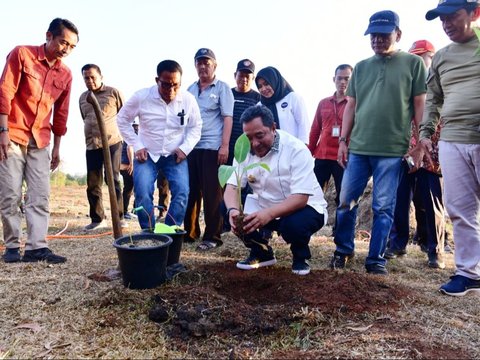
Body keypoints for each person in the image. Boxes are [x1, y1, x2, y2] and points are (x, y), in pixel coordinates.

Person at [329, 10, 427, 275]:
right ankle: (343, 250)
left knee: (383, 207)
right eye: (373, 35)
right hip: (359, 147)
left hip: (392, 150)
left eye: (383, 35)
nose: (378, 40)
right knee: (346, 202)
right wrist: (342, 141)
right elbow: (351, 105)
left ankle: (375, 259)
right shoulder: (361, 67)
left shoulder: (413, 64)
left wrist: (420, 141)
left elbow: (420, 104)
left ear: (398, 34)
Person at [413, 0, 480, 296]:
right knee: (459, 208)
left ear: (474, 13)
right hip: (453, 139)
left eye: (453, 16)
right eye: (442, 19)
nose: (447, 24)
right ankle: (469, 272)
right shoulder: (441, 57)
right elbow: (434, 100)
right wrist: (425, 134)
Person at [0, 18, 79, 264]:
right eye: (63, 42)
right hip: (12, 133)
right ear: (49, 36)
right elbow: (5, 91)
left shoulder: (65, 74)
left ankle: (36, 247)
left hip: (41, 140)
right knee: (10, 193)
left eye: (71, 46)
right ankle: (12, 246)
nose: (66, 49)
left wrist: (57, 147)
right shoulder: (22, 54)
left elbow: (61, 114)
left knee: (39, 196)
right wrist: (1, 132)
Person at [223, 105, 327, 275]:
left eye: (259, 135)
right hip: (265, 206)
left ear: (273, 127)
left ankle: (300, 256)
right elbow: (232, 187)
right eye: (248, 137)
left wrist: (269, 214)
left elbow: (301, 198)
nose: (254, 143)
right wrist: (233, 210)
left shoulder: (296, 150)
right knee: (226, 210)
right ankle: (261, 252)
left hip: (305, 207)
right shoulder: (244, 150)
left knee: (293, 225)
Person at [117, 60, 202, 230]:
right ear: (157, 80)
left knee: (182, 192)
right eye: (165, 85)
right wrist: (137, 144)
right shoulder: (142, 97)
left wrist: (185, 149)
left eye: (175, 85)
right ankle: (149, 231)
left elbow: (196, 127)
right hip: (147, 154)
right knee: (142, 193)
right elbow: (122, 120)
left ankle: (170, 230)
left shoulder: (188, 100)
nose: (171, 90)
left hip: (174, 155)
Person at [385, 40, 447, 269]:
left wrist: (434, 148)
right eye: (414, 57)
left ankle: (435, 250)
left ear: (431, 57)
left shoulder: (441, 86)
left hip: (432, 155)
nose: (418, 62)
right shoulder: (406, 87)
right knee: (399, 200)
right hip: (406, 153)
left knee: (432, 204)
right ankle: (397, 243)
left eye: (422, 57)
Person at [185, 48, 234, 250]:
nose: (203, 66)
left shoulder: (222, 88)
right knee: (191, 191)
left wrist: (224, 146)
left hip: (213, 147)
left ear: (215, 65)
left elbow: (227, 118)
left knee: (212, 194)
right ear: (195, 65)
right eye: (200, 62)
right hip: (191, 147)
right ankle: (190, 232)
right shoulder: (190, 89)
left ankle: (212, 236)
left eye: (207, 62)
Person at [79, 64, 126, 230]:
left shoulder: (113, 93)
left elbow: (124, 116)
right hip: (91, 145)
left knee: (112, 179)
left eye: (93, 77)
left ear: (100, 77)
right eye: (86, 77)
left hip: (112, 142)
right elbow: (84, 117)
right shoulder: (83, 98)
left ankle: (119, 217)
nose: (90, 80)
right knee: (93, 183)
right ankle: (98, 219)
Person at [308, 64, 353, 210]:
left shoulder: (355, 104)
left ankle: (339, 231)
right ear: (334, 79)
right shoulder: (324, 103)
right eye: (339, 78)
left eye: (347, 79)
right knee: (313, 192)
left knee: (343, 194)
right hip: (323, 155)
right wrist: (310, 150)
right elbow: (315, 129)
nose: (342, 82)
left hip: (343, 157)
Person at [255, 66, 309, 143]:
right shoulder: (259, 107)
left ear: (274, 81)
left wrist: (303, 147)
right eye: (260, 86)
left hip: (293, 150)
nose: (263, 89)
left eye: (266, 84)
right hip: (269, 152)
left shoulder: (293, 98)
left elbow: (304, 126)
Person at [120, 120, 138, 220]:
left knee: (128, 188)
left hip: (123, 165)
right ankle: (125, 211)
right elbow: (129, 147)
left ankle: (128, 211)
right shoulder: (134, 132)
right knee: (129, 189)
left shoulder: (125, 133)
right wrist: (132, 163)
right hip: (128, 165)